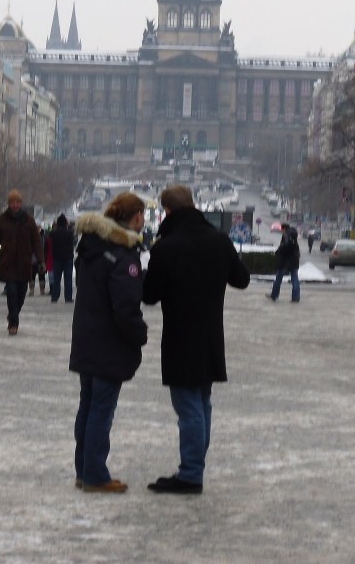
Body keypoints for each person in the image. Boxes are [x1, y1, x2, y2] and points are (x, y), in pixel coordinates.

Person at [142, 185, 251, 494]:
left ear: (168, 212)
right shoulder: (219, 240)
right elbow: (241, 280)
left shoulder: (166, 247)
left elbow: (149, 296)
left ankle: (191, 474)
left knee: (188, 407)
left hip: (180, 336)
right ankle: (193, 467)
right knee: (201, 404)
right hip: (211, 336)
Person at [69, 193, 149, 493]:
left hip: (87, 340)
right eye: (141, 215)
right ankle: (95, 475)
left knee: (88, 407)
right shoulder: (122, 256)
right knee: (101, 410)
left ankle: (84, 469)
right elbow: (126, 307)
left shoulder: (92, 247)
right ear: (136, 217)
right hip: (107, 345)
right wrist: (140, 334)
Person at [0, 189, 44, 335]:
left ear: (21, 203)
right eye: (12, 202)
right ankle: (14, 323)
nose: (15, 205)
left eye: (18, 202)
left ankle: (12, 314)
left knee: (21, 294)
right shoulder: (1, 220)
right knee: (11, 291)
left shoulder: (29, 220)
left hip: (24, 263)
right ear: (9, 204)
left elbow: (36, 242)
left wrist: (41, 260)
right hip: (8, 263)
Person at [268, 223, 300, 302]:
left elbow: (284, 246)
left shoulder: (286, 235)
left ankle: (274, 295)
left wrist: (278, 252)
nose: (281, 231)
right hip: (294, 260)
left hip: (285, 260)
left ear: (284, 229)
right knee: (295, 279)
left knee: (278, 278)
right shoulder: (294, 236)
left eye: (281, 230)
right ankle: (296, 297)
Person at [49, 214, 75, 303]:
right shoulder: (70, 233)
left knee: (56, 279)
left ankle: (55, 297)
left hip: (57, 258)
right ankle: (68, 297)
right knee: (68, 279)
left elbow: (50, 235)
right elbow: (74, 241)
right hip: (68, 258)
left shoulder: (53, 233)